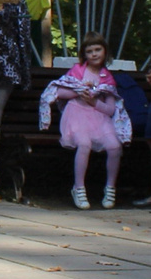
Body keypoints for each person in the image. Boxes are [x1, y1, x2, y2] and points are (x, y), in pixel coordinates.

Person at [40, 36, 129, 209]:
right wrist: (79, 91)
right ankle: (78, 188)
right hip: (76, 115)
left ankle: (110, 188)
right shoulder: (78, 70)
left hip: (99, 118)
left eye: (98, 50)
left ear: (105, 52)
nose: (94, 54)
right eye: (89, 51)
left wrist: (94, 102)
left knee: (114, 146)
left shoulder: (107, 78)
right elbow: (60, 92)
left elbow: (111, 110)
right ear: (84, 55)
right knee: (84, 143)